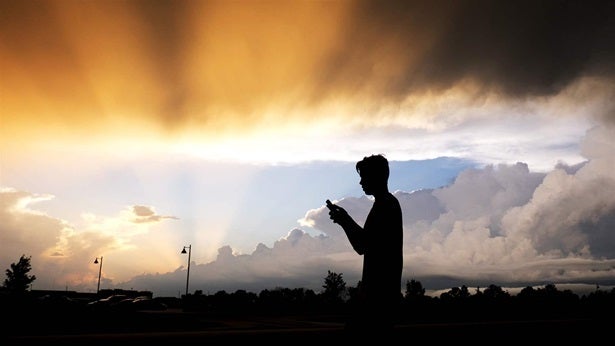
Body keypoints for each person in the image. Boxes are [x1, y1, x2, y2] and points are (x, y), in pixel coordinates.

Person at [327, 154, 403, 336]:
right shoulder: (385, 204)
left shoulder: (386, 206)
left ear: (376, 177)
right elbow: (365, 243)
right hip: (378, 296)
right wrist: (344, 220)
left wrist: (344, 220)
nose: (361, 182)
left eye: (364, 177)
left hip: (378, 298)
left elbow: (362, 245)